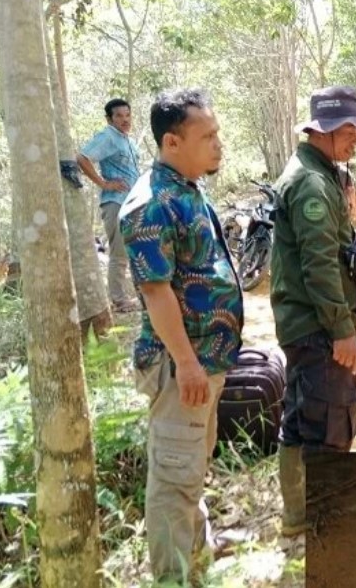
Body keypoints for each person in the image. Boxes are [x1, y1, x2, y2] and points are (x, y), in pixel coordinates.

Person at [119, 88, 242, 585]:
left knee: (189, 467)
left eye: (217, 133)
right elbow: (156, 292)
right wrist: (188, 363)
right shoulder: (152, 203)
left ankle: (197, 559)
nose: (218, 145)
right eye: (206, 136)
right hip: (180, 368)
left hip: (203, 363)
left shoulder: (187, 187)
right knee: (173, 478)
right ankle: (173, 577)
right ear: (172, 142)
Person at [270, 85, 356, 535]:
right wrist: (341, 331)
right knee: (328, 422)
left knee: (301, 418)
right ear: (326, 130)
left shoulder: (317, 171)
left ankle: (298, 515)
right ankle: (322, 520)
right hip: (317, 326)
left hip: (306, 323)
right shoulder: (312, 182)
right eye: (350, 130)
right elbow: (319, 265)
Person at [78, 98, 141, 313]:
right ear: (109, 119)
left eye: (127, 115)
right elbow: (83, 158)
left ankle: (140, 294)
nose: (124, 120)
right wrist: (104, 183)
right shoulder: (108, 137)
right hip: (115, 203)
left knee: (137, 251)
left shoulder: (128, 141)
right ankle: (119, 300)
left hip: (134, 203)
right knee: (119, 253)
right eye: (119, 116)